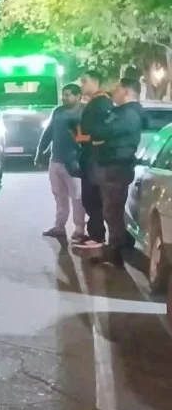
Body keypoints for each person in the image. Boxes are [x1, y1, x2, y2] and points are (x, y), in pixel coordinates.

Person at [89, 78, 145, 267]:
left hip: (116, 167)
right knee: (112, 210)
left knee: (112, 211)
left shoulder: (128, 114)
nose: (114, 93)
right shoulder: (125, 112)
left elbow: (101, 131)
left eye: (118, 89)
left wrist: (99, 137)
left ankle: (115, 252)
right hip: (114, 167)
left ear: (127, 92)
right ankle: (116, 248)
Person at [37, 83, 85, 241]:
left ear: (78, 96)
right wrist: (40, 151)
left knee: (77, 197)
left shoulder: (85, 112)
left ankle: (79, 228)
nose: (64, 98)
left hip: (75, 163)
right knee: (59, 195)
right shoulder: (58, 111)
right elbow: (48, 132)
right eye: (63, 94)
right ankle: (59, 226)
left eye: (68, 94)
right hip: (56, 160)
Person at [73, 70, 114, 249]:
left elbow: (105, 130)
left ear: (95, 82)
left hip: (95, 157)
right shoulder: (94, 102)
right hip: (89, 155)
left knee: (92, 197)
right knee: (89, 197)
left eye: (84, 82)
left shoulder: (102, 103)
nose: (82, 86)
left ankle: (97, 236)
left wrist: (88, 139)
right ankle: (94, 233)